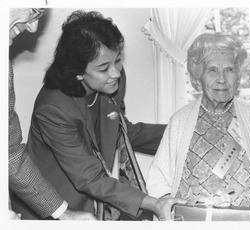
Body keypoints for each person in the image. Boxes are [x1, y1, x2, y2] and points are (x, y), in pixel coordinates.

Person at [11, 10, 184, 221]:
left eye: (118, 60)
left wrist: (183, 132)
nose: (116, 73)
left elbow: (122, 132)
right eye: (104, 68)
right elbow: (90, 177)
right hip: (53, 211)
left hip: (95, 205)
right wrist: (153, 203)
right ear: (78, 71)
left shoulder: (111, 82)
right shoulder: (53, 109)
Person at [146, 32, 250, 221]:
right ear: (197, 78)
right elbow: (159, 181)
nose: (222, 79)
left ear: (238, 76)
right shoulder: (179, 121)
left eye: (229, 69)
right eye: (212, 70)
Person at [9, 8, 96, 220]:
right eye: (33, 11)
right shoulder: (53, 106)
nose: (33, 27)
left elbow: (9, 154)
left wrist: (66, 215)